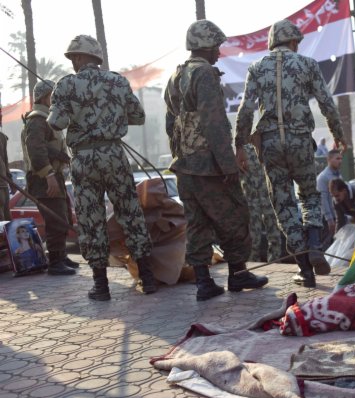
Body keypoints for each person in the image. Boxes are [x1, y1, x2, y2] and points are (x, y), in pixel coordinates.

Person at [234, 19, 347, 287]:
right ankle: (315, 244)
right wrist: (338, 133)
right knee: (309, 196)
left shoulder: (257, 68)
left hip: (270, 145)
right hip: (300, 141)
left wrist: (239, 145)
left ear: (273, 42)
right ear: (294, 41)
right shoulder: (308, 64)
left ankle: (305, 270)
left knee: (284, 205)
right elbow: (326, 103)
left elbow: (246, 109)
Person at [47, 34, 157, 300]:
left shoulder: (66, 84)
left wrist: (69, 108)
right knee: (130, 212)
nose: (72, 62)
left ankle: (101, 286)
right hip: (114, 154)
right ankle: (147, 278)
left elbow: (56, 123)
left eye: (73, 57)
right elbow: (138, 116)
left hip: (84, 159)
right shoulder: (117, 81)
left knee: (91, 218)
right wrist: (109, 117)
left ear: (79, 57)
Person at [164, 20, 267, 300]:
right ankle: (238, 273)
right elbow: (215, 123)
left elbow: (171, 124)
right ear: (206, 45)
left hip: (184, 166)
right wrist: (228, 165)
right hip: (208, 167)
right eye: (216, 46)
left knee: (197, 222)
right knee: (234, 216)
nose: (219, 52)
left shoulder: (176, 75)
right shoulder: (205, 73)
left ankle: (204, 282)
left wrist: (180, 156)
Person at [21, 80, 78, 275]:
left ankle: (60, 255)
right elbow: (36, 151)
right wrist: (49, 175)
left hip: (54, 176)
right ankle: (55, 262)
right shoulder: (37, 120)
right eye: (53, 95)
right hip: (44, 179)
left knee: (63, 217)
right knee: (55, 219)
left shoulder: (48, 118)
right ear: (45, 97)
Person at [239, 143, 284, 262]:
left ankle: (275, 261)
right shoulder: (242, 151)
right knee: (253, 236)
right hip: (251, 201)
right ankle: (253, 262)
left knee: (274, 234)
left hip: (270, 199)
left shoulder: (269, 145)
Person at [316, 149, 342, 251]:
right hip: (328, 219)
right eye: (337, 158)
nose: (340, 161)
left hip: (337, 215)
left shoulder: (337, 174)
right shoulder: (323, 177)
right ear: (329, 160)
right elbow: (323, 200)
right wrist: (330, 220)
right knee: (327, 245)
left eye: (341, 158)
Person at [0, 130, 12, 220]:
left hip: (3, 183)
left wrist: (10, 178)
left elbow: (5, 159)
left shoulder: (2, 137)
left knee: (6, 217)